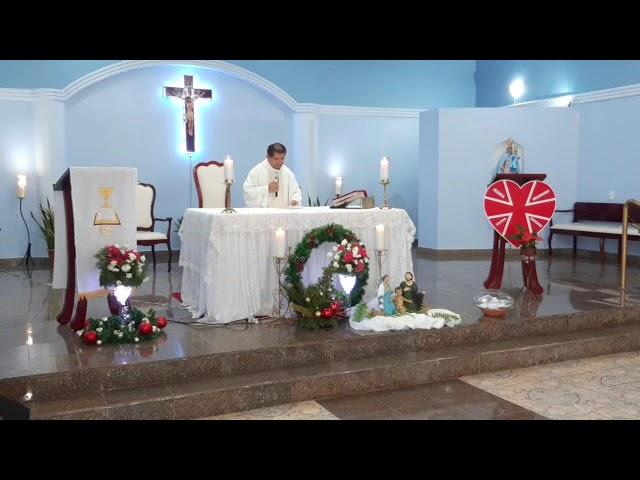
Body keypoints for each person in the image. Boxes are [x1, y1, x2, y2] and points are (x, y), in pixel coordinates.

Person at [243, 143, 302, 208]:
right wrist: (266, 189)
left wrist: (294, 200)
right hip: (264, 216)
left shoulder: (288, 173)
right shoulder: (256, 171)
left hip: (284, 215)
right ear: (268, 156)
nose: (280, 162)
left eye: (282, 159)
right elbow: (247, 192)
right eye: (276, 159)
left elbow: (296, 191)